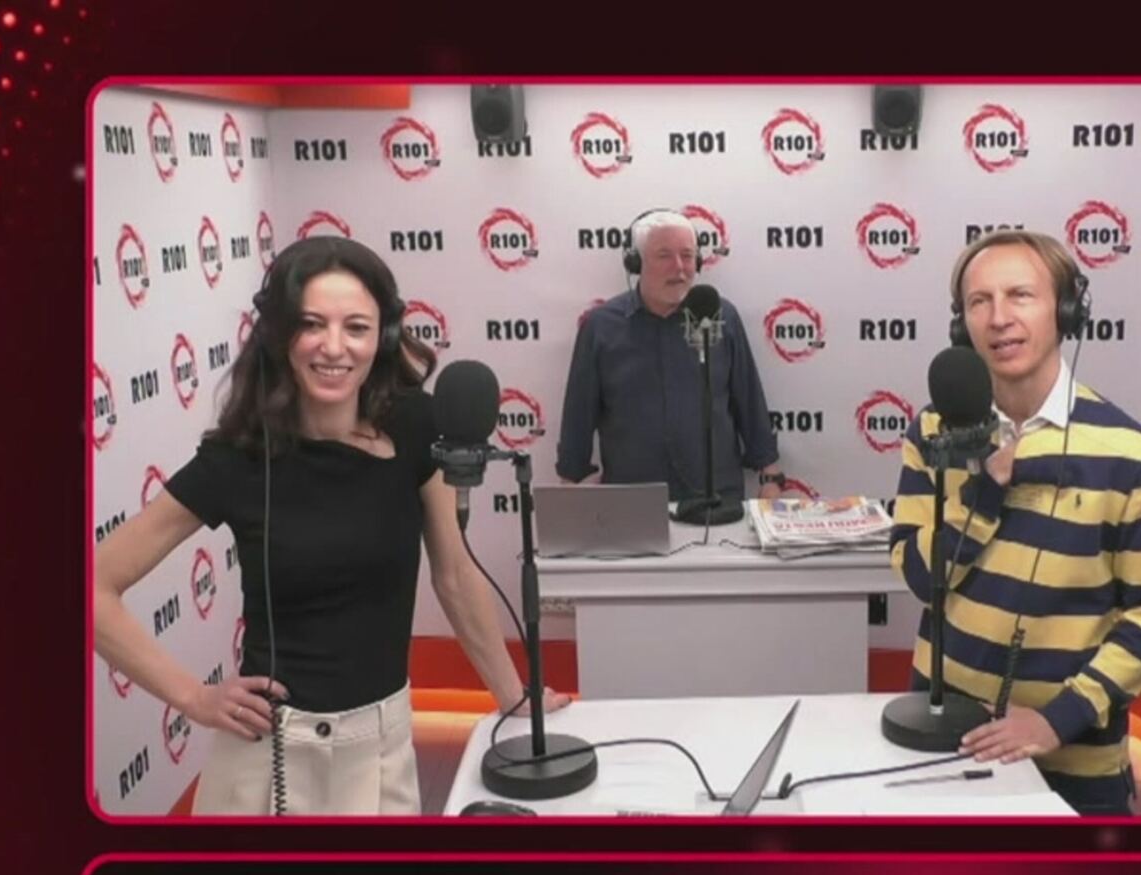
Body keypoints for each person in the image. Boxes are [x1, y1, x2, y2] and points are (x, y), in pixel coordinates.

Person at [93, 237, 569, 816]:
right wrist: (193, 697)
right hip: (268, 756)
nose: (335, 347)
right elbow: (94, 588)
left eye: (356, 328)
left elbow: (454, 574)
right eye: (312, 324)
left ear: (382, 338)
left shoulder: (417, 425)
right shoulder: (238, 458)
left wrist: (513, 696)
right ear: (279, 334)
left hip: (384, 748)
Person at [888, 230, 1141, 816]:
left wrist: (1058, 719)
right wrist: (984, 493)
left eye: (1020, 295)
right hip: (944, 732)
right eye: (979, 301)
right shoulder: (932, 431)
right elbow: (921, 575)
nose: (999, 318)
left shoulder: (1129, 453)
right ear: (962, 324)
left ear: (1066, 310)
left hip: (1074, 759)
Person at [556, 208, 791, 502]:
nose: (679, 267)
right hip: (634, 503)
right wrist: (569, 490)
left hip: (717, 501)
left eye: (687, 255)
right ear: (636, 262)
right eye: (664, 255)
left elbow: (749, 400)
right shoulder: (601, 327)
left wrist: (770, 478)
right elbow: (578, 416)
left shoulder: (721, 316)